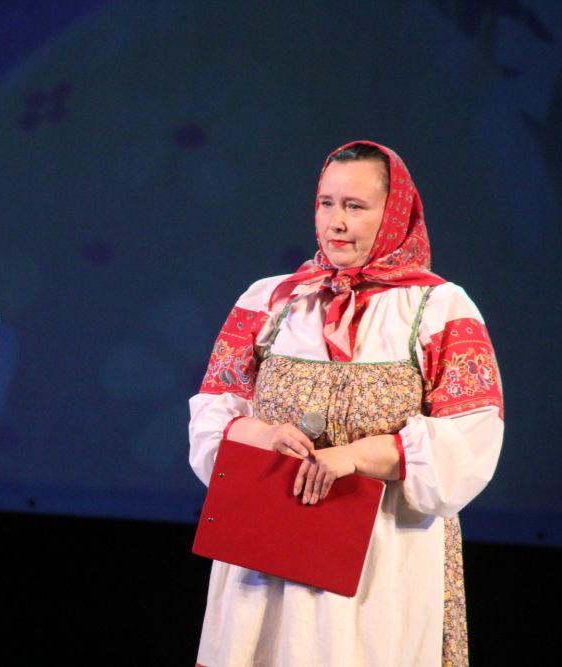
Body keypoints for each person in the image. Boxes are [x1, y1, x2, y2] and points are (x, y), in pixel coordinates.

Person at [188, 141, 503, 666]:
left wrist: (354, 457)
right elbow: (214, 409)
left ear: (394, 213)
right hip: (268, 556)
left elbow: (470, 439)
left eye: (355, 207)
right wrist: (265, 435)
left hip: (381, 559)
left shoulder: (439, 307)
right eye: (326, 203)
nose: (336, 222)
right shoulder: (271, 300)